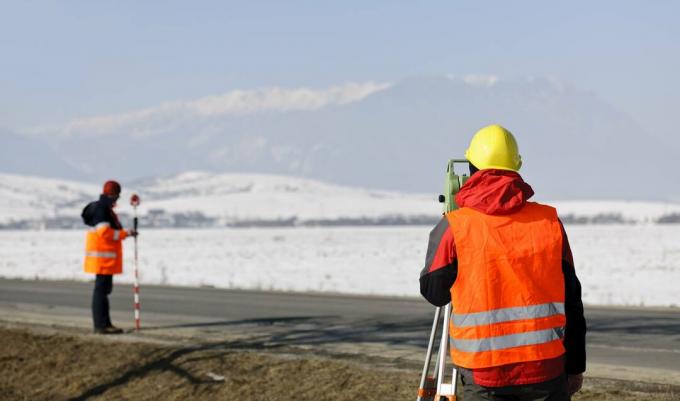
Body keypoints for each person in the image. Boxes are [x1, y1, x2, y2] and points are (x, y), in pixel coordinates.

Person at [420, 125, 586, 401]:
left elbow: (434, 292)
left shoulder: (456, 226)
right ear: (516, 168)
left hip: (485, 378)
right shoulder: (549, 222)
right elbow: (573, 300)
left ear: (471, 168)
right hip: (547, 373)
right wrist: (575, 366)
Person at [81, 180, 137, 334]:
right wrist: (125, 233)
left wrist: (126, 233)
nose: (117, 199)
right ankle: (101, 325)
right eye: (117, 195)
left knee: (103, 290)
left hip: (103, 258)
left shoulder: (104, 208)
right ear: (114, 194)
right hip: (102, 258)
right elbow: (104, 232)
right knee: (101, 291)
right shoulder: (102, 209)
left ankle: (105, 324)